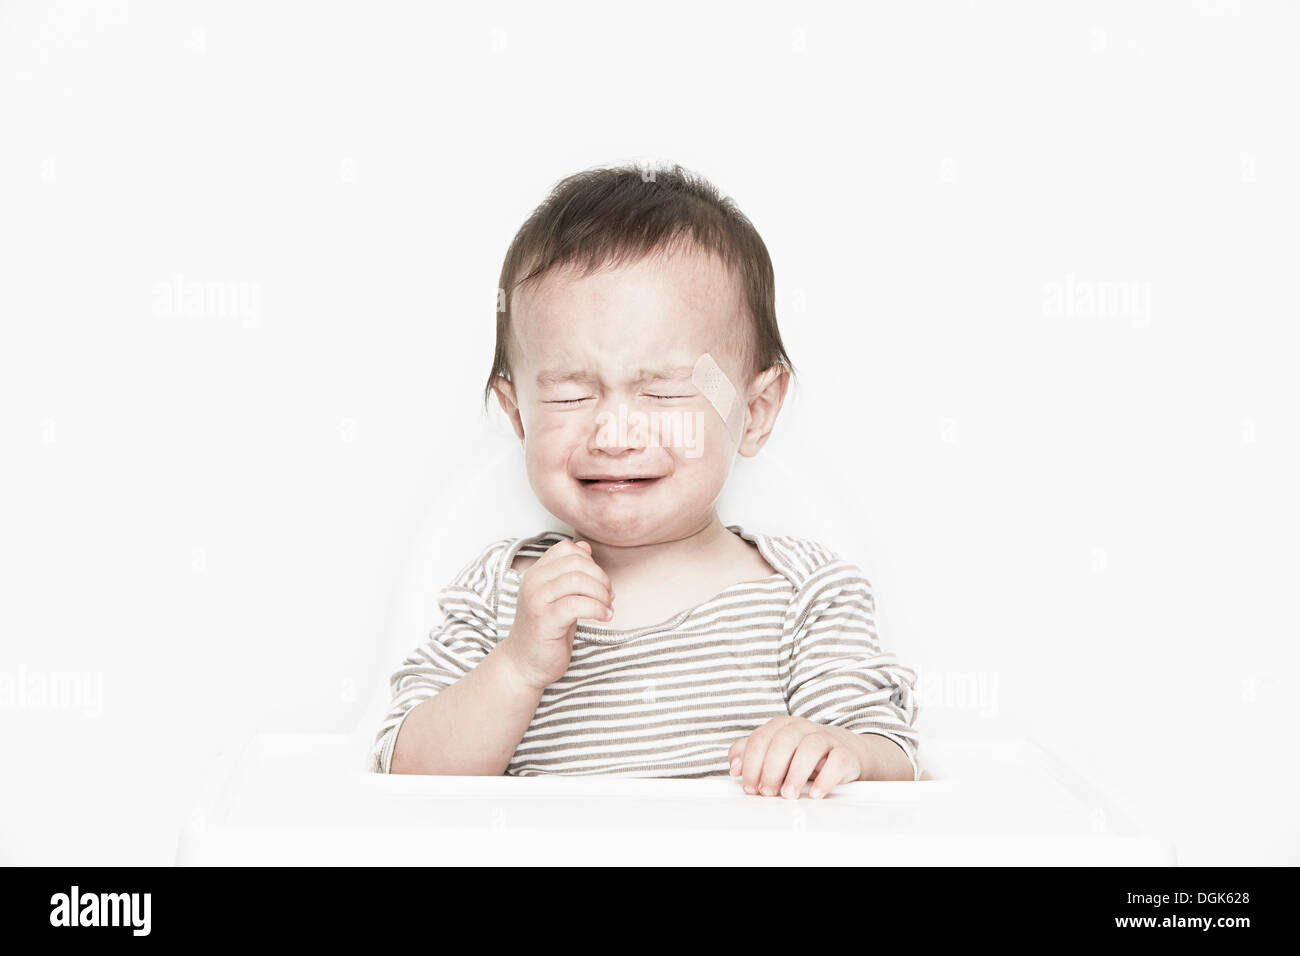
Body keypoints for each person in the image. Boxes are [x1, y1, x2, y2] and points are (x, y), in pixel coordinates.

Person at [368, 162, 922, 798]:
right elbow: (405, 780)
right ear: (518, 415)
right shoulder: (498, 597)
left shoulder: (805, 600)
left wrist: (840, 749)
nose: (615, 432)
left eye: (663, 391)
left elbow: (895, 765)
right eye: (572, 395)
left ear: (755, 412)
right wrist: (518, 667)